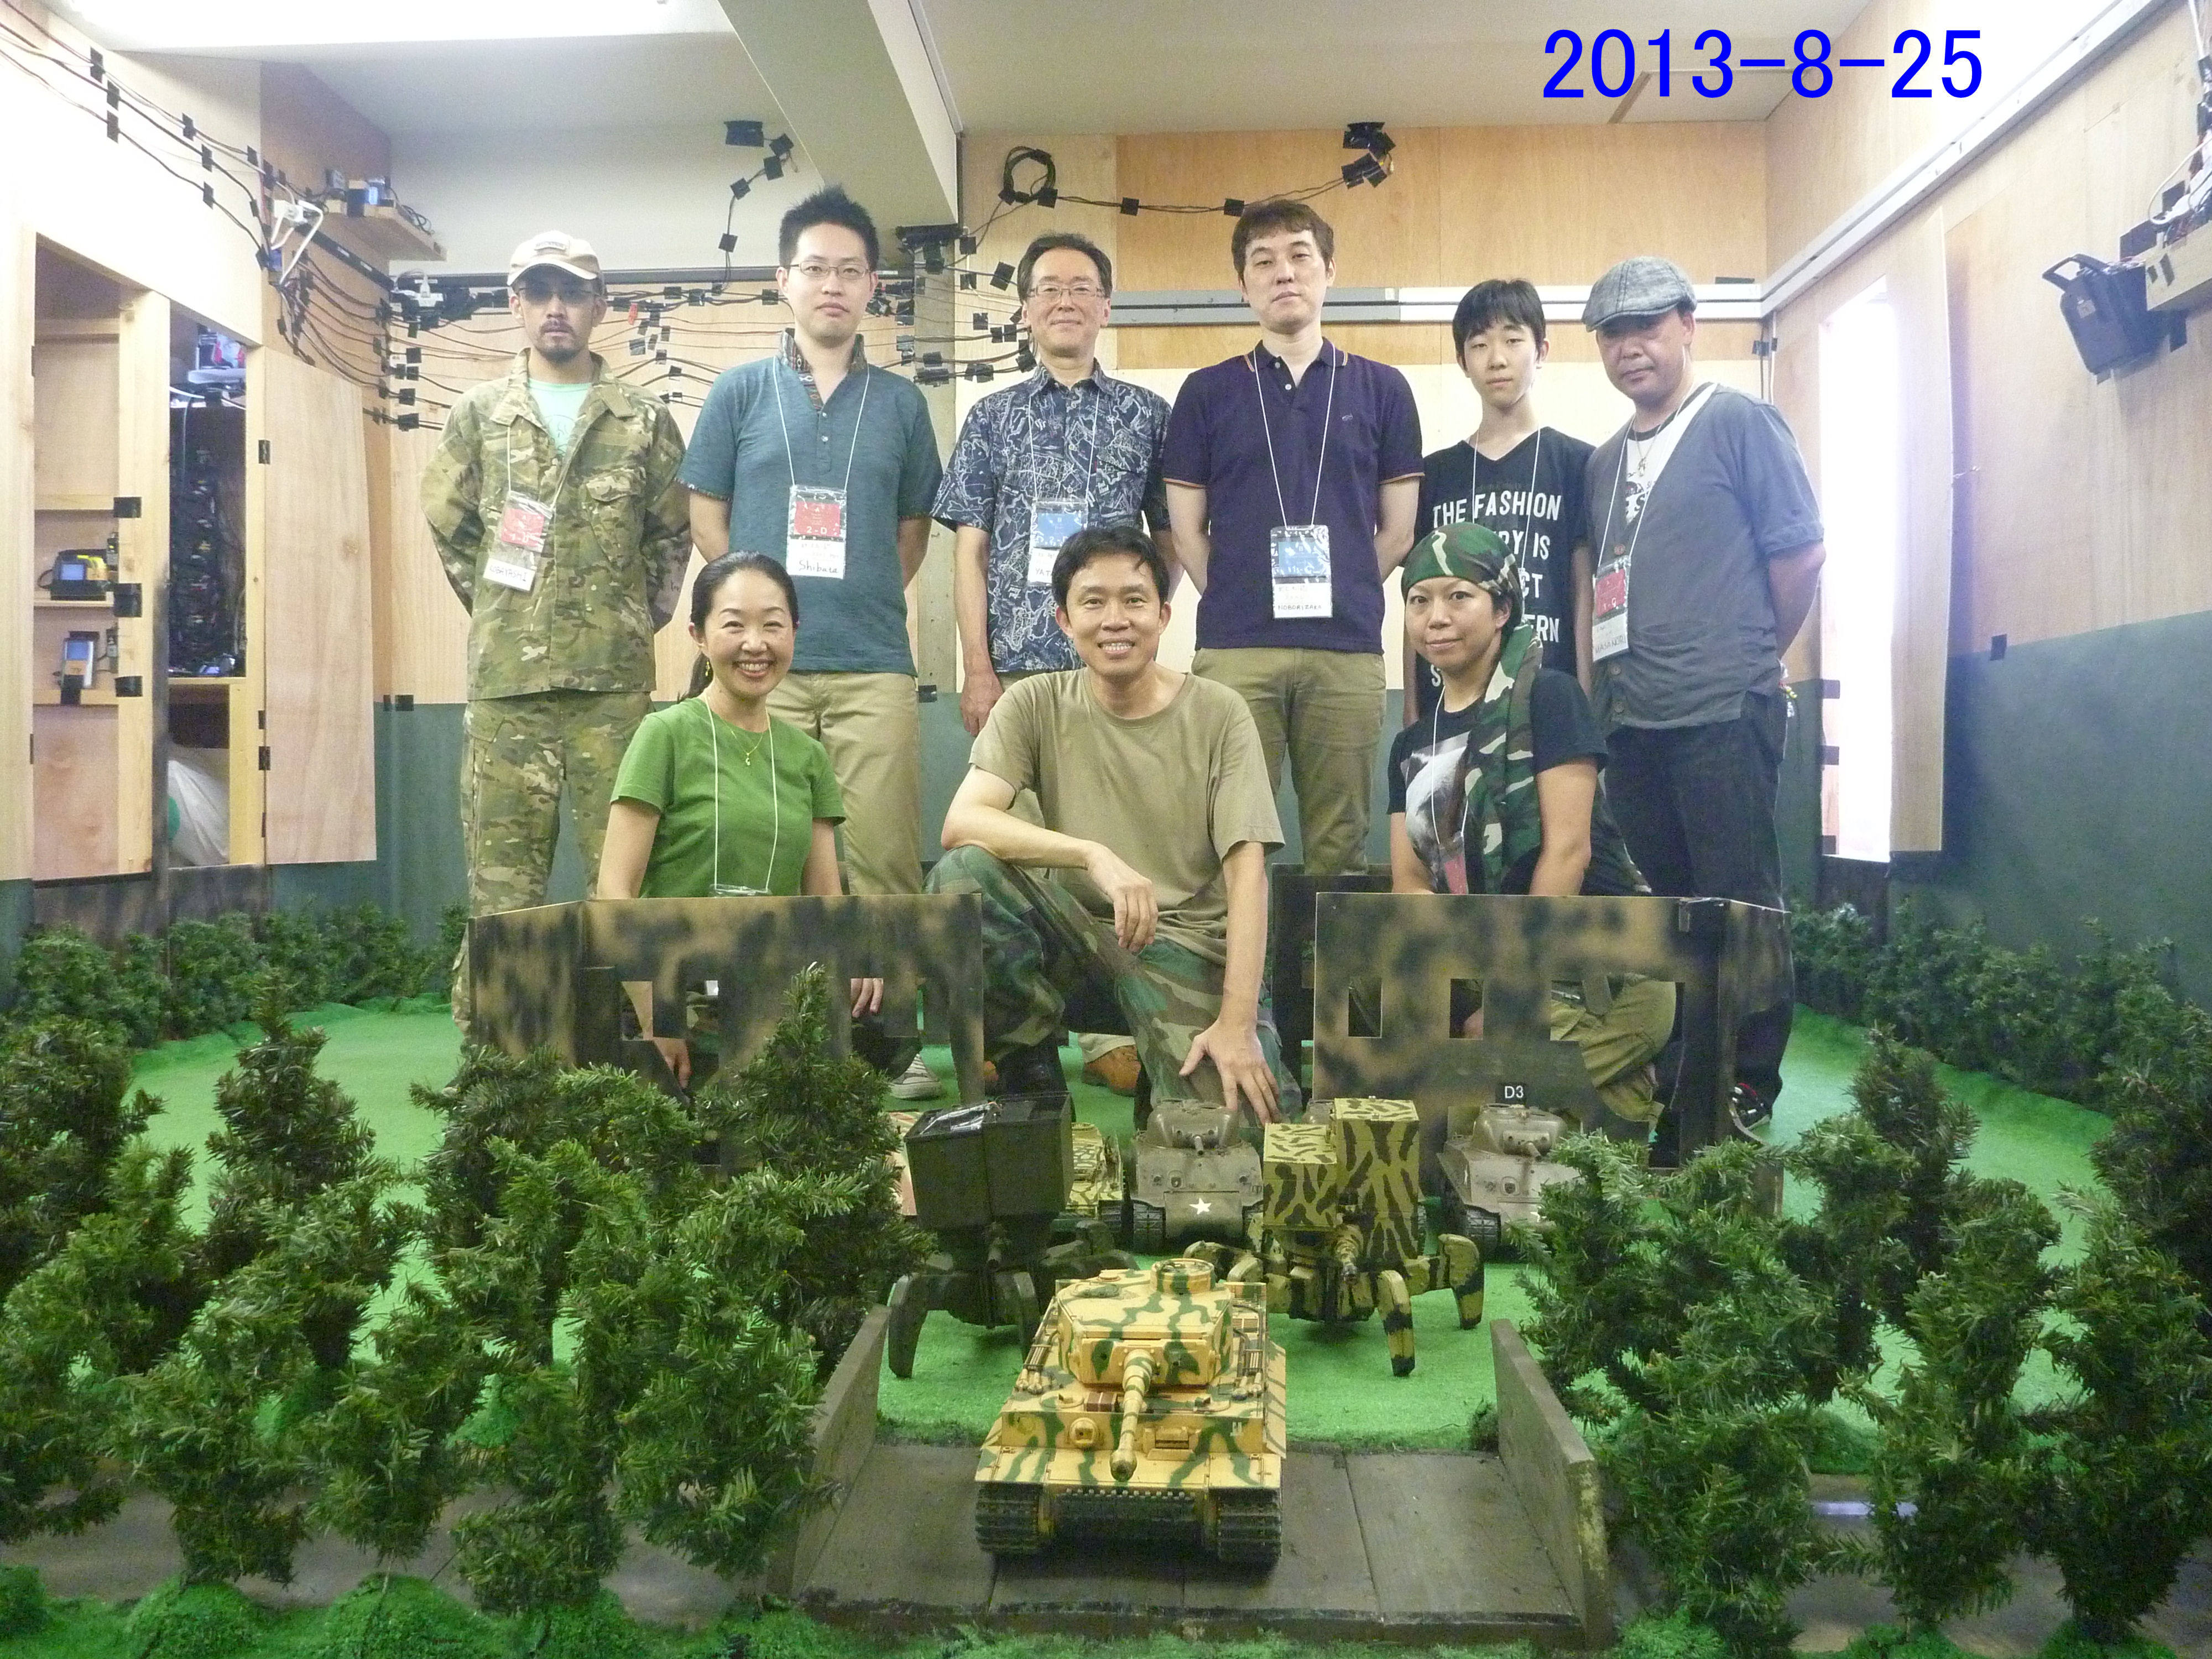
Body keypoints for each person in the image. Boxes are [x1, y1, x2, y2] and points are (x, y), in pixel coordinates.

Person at [679, 184, 945, 1099]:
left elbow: (911, 532)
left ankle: (892, 1046)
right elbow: (706, 517)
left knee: (883, 859)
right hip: (762, 677)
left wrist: (852, 597)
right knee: (770, 855)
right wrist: (762, 620)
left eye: (851, 271)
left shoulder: (902, 404)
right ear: (783, 280)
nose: (833, 285)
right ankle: (776, 1039)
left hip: (873, 666)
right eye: (816, 269)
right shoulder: (738, 392)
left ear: (873, 286)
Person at [931, 523, 1301, 1120]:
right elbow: (962, 822)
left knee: (1238, 1134)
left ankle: (1166, 1079)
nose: (1115, 620)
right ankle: (1030, 1071)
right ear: (1064, 619)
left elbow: (1247, 875)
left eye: (1133, 600)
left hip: (1187, 944)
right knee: (963, 876)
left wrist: (1237, 1021)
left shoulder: (1220, 713)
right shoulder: (1035, 702)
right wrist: (1091, 855)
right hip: (1074, 940)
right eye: (1093, 602)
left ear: (1163, 614)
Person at [1577, 255, 1826, 1122]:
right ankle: (1690, 1068)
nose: (1630, 347)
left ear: (1688, 324)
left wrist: (1754, 657)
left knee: (1740, 899)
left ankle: (1748, 1078)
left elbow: (1801, 556)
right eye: (1612, 333)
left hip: (1724, 708)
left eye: (1647, 326)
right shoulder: (1604, 463)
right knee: (1673, 910)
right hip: (1632, 720)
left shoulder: (1740, 422)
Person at [421, 229, 690, 1024]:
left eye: (572, 293)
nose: (556, 308)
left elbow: (671, 534)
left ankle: (633, 1047)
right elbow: (450, 525)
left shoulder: (643, 419)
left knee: (626, 879)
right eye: (539, 292)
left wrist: (630, 616)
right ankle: (499, 1060)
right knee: (503, 889)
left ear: (599, 306)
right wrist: (506, 614)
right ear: (516, 305)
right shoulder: (478, 416)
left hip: (613, 688)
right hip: (509, 688)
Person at [934, 229, 1172, 1097]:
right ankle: (1023, 1040)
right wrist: (978, 666)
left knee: (1116, 855)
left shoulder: (1148, 414)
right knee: (1008, 861)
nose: (1065, 301)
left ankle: (1115, 1031)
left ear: (1106, 306)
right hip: (1018, 681)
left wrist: (1136, 637)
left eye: (1082, 287)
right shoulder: (991, 417)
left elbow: (1168, 542)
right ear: (1026, 309)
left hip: (1111, 683)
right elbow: (969, 548)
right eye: (1047, 288)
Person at [1163, 200, 1422, 875]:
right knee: (1226, 835)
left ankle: (1323, 953)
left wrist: (1344, 588)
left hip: (1345, 649)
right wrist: (1237, 592)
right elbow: (1185, 532)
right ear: (1243, 285)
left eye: (1300, 255)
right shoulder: (1206, 392)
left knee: (1339, 844)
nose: (1284, 273)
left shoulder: (1384, 389)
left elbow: (1398, 531)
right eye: (1263, 261)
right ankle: (1234, 954)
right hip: (1236, 647)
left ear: (1329, 271)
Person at [1387, 523, 1673, 1134]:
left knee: (1472, 1104)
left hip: (1596, 968)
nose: (1436, 617)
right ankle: (1582, 1091)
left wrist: (1505, 998)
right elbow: (1410, 882)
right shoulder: (1411, 745)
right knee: (1399, 1056)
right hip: (1483, 962)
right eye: (1419, 600)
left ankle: (1597, 1098)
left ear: (1502, 611)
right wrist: (1438, 984)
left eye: (1459, 596)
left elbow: (1568, 854)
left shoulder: (1551, 698)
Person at [597, 552, 881, 1088]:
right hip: (675, 990)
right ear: (699, 636)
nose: (756, 644)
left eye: (773, 625)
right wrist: (657, 1014)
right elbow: (615, 890)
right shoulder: (664, 735)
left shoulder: (807, 757)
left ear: (794, 633)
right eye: (734, 625)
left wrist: (856, 959)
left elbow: (823, 896)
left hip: (770, 989)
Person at [1406, 278, 1593, 720]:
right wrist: (1412, 711)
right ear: (1462, 361)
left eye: (1513, 340)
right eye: (1479, 345)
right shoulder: (1435, 474)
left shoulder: (1577, 463)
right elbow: (1418, 593)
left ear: (1541, 351)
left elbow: (1583, 591)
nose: (1497, 359)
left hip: (1548, 692)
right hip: (1449, 699)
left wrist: (1586, 698)